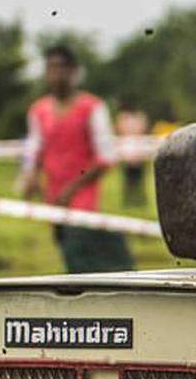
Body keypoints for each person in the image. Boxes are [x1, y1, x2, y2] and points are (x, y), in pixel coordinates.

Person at [16, 44, 132, 274]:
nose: (56, 74)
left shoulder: (92, 107)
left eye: (61, 68)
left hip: (84, 197)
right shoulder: (39, 110)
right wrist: (30, 175)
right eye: (51, 68)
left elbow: (106, 156)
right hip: (54, 196)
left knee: (82, 253)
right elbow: (34, 148)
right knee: (67, 251)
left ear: (73, 71)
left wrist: (73, 189)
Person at [115, 104, 150, 208]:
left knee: (138, 178)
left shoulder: (137, 118)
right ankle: (131, 200)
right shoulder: (126, 118)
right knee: (129, 179)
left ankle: (138, 200)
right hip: (129, 150)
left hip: (137, 151)